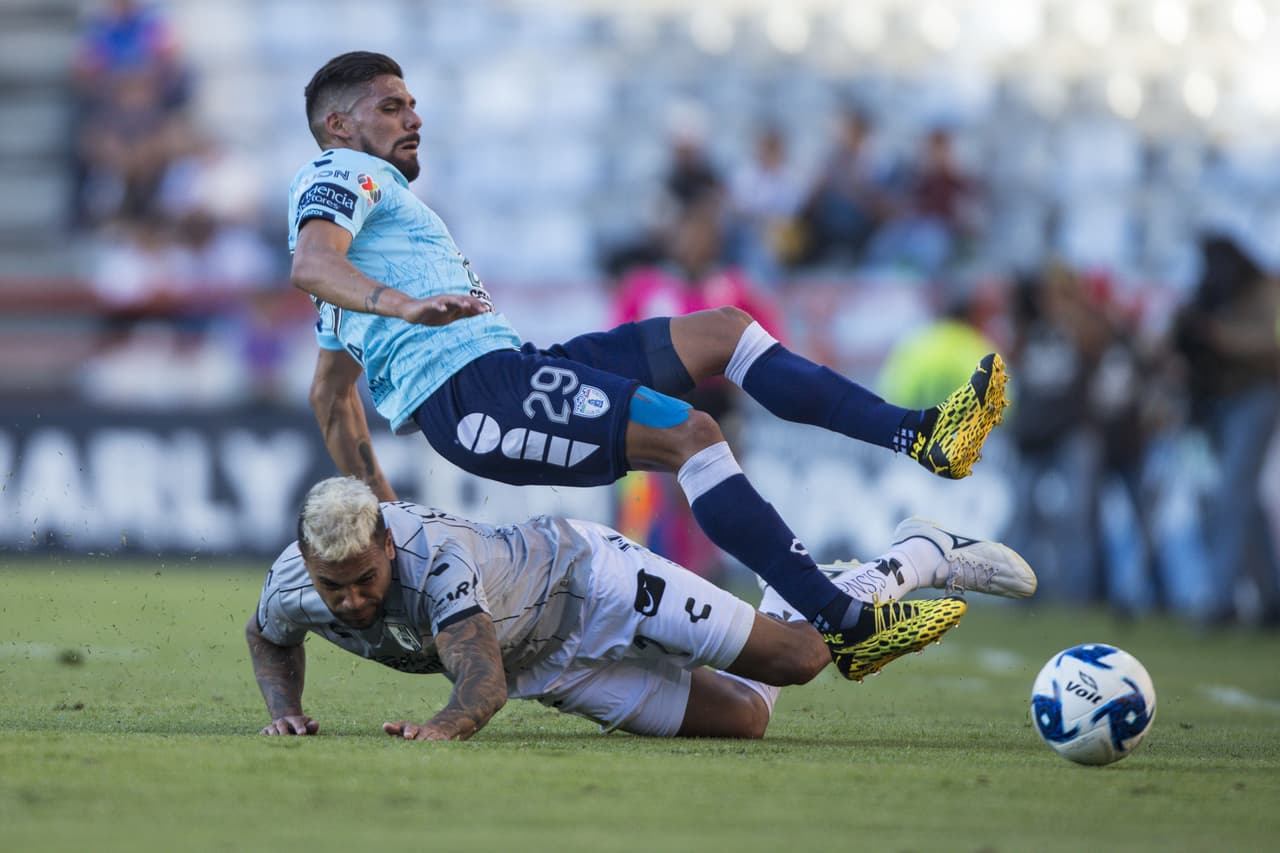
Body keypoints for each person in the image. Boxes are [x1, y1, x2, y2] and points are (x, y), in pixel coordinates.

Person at [285, 52, 1010, 681]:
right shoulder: (339, 171)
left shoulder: (367, 247)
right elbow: (312, 263)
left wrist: (394, 521)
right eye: (391, 107)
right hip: (477, 395)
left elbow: (331, 394)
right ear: (339, 126)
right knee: (692, 434)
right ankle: (845, 620)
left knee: (724, 331)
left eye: (412, 103)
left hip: (508, 369)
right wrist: (405, 306)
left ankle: (924, 435)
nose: (413, 118)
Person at [247, 478, 1037, 740]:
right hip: (548, 667)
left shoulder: (436, 561)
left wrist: (444, 726)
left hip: (599, 581)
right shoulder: (292, 580)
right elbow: (267, 633)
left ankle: (919, 553)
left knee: (797, 659)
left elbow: (479, 683)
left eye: (363, 579)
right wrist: (285, 708)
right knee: (747, 720)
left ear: (387, 543)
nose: (350, 600)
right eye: (332, 587)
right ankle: (800, 594)